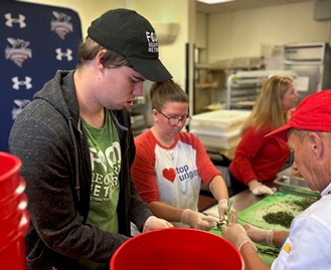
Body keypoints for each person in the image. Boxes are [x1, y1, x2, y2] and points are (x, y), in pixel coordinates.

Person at [9, 9, 174, 270]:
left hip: (110, 258)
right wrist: (132, 246)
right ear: (102, 60)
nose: (140, 92)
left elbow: (122, 180)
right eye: (134, 79)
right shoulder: (40, 129)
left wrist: (145, 218)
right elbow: (59, 231)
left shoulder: (118, 112)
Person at [222, 89, 331, 269]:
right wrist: (266, 235)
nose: (294, 165)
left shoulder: (321, 221)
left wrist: (241, 243)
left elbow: (321, 234)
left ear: (315, 145)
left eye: (294, 151)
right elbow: (320, 247)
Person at [131, 80, 236, 231]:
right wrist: (186, 216)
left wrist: (223, 201)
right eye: (172, 117)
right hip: (157, 231)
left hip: (189, 228)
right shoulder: (142, 148)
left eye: (183, 117)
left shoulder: (191, 142)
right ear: (155, 114)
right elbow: (149, 205)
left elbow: (212, 176)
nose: (179, 124)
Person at [229, 76, 299, 196]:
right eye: (292, 93)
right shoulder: (261, 127)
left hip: (267, 177)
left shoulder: (287, 117)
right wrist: (253, 184)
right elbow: (241, 158)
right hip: (245, 181)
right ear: (278, 99)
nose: (296, 95)